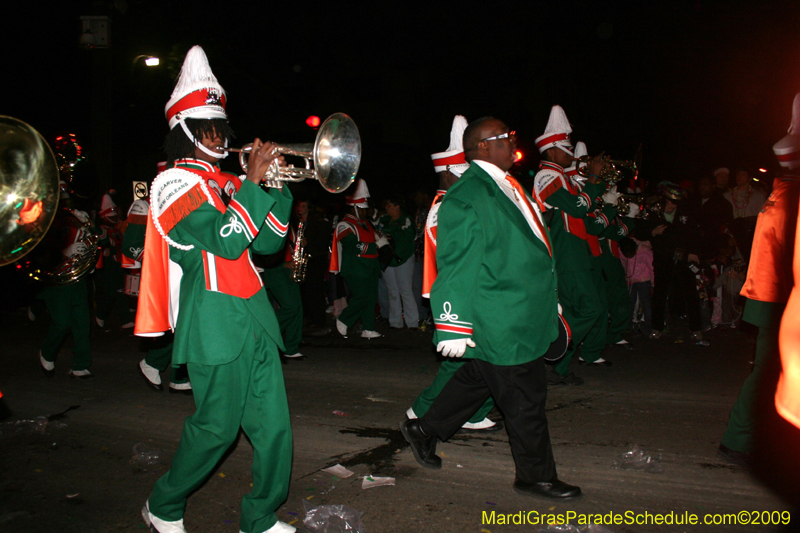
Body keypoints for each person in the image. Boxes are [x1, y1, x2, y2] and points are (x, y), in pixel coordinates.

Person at [135, 46, 295, 533]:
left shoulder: (227, 182)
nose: (220, 138)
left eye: (221, 128)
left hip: (253, 315)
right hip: (212, 321)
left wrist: (276, 186)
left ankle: (261, 517)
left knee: (274, 431)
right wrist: (250, 182)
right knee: (216, 430)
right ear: (184, 132)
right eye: (208, 129)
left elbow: (266, 242)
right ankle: (162, 504)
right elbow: (225, 242)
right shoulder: (171, 186)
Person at [401, 116, 581, 501]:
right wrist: (451, 324)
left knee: (476, 379)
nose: (512, 142)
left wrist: (547, 296)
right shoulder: (468, 195)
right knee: (526, 399)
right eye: (505, 137)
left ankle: (423, 428)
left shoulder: (505, 183)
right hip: (501, 315)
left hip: (519, 307)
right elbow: (456, 264)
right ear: (482, 146)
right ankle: (535, 476)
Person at [721, 94, 800, 466]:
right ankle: (739, 439)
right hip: (779, 299)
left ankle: (743, 438)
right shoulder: (787, 199)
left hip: (774, 297)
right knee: (770, 370)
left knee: (771, 369)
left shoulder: (780, 194)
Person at [407, 115, 500, 433]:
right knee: (461, 364)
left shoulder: (458, 202)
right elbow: (449, 265)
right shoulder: (444, 206)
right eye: (462, 173)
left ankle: (474, 412)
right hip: (458, 297)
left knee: (486, 361)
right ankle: (420, 410)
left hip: (478, 292)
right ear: (446, 173)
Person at [532, 109, 616, 382]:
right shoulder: (546, 176)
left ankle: (558, 365)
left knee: (573, 311)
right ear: (552, 150)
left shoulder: (562, 177)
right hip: (566, 253)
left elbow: (587, 217)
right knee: (591, 308)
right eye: (567, 149)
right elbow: (578, 208)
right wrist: (592, 179)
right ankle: (551, 352)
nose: (571, 155)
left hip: (575, 252)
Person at [37, 184, 97, 379]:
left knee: (82, 324)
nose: (66, 202)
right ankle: (47, 352)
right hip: (57, 282)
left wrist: (89, 255)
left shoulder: (76, 220)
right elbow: (39, 254)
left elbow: (96, 242)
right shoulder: (44, 222)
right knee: (62, 323)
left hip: (77, 280)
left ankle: (80, 365)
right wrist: (65, 252)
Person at [635, 182, 706, 343]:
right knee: (660, 293)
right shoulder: (653, 211)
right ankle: (657, 328)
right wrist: (652, 231)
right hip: (662, 257)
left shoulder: (685, 212)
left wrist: (693, 252)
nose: (673, 206)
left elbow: (694, 233)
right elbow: (639, 230)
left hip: (683, 257)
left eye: (676, 203)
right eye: (670, 202)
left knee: (690, 293)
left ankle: (696, 329)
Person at [330, 179, 386, 339]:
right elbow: (354, 246)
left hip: (370, 267)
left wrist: (383, 242)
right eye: (362, 209)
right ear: (354, 208)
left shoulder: (366, 223)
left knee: (371, 299)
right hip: (355, 268)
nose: (364, 212)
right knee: (361, 298)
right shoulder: (344, 225)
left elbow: (374, 239)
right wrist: (377, 245)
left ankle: (368, 328)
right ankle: (343, 319)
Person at [379, 194, 419, 329]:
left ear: (397, 207)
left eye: (389, 205)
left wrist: (391, 234)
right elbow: (378, 232)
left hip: (404, 258)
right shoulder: (384, 220)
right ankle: (395, 323)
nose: (386, 208)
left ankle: (413, 323)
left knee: (405, 290)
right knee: (392, 291)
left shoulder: (406, 220)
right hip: (388, 259)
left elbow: (408, 236)